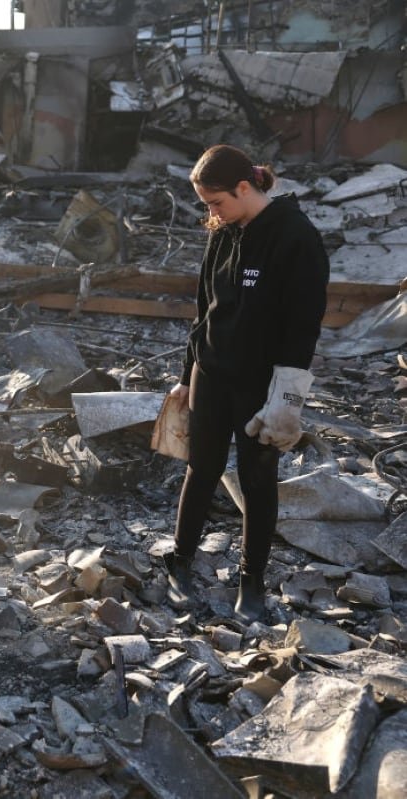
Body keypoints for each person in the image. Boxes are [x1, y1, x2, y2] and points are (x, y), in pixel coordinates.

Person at [164, 144, 329, 624]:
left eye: (216, 202)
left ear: (244, 187)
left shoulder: (297, 238)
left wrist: (288, 398)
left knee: (258, 480)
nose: (211, 214)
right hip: (211, 374)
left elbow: (304, 326)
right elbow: (203, 311)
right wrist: (183, 378)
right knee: (202, 468)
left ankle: (250, 581)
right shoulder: (222, 234)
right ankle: (179, 562)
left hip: (262, 383)